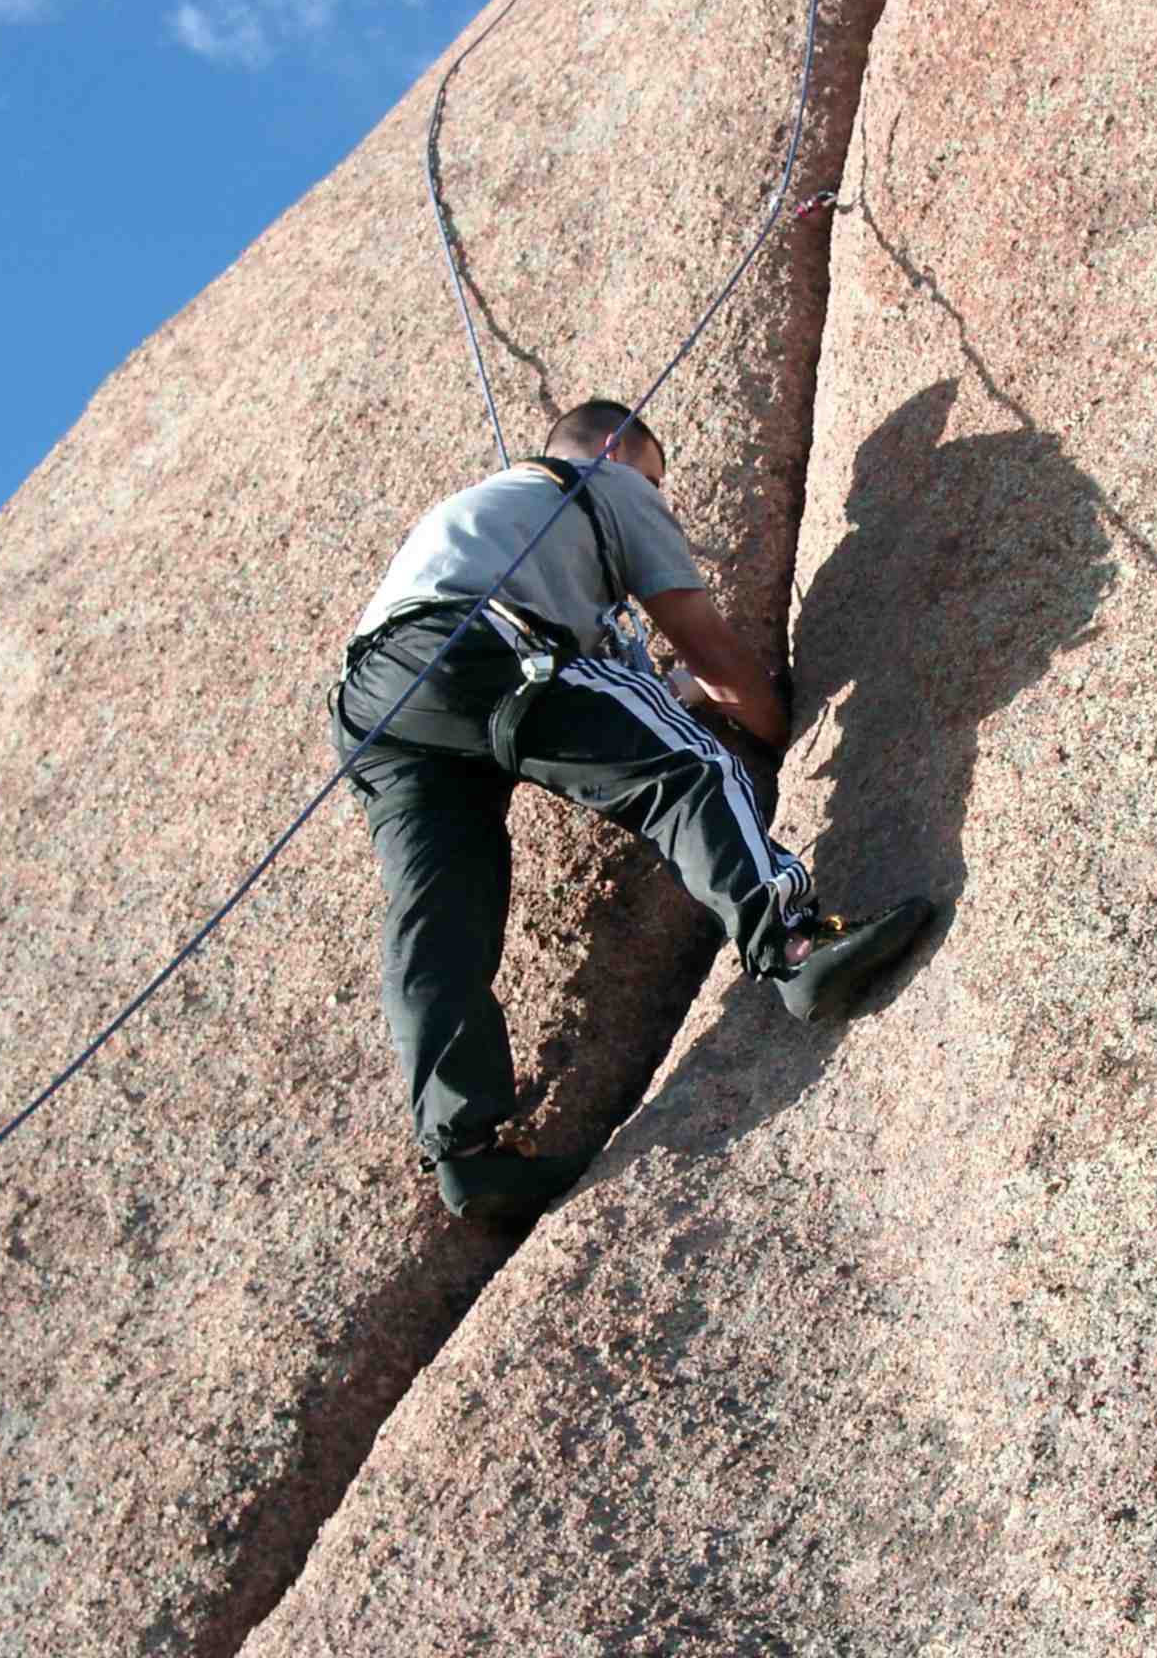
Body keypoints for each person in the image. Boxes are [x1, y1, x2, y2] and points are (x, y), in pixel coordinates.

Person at [330, 399, 931, 1223]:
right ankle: (793, 946)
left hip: (375, 704)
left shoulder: (494, 519)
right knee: (684, 770)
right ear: (618, 453)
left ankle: (467, 1155)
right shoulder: (602, 481)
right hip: (484, 646)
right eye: (657, 481)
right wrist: (774, 726)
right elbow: (706, 651)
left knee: (440, 916)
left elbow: (633, 686)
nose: (659, 500)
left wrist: (677, 693)